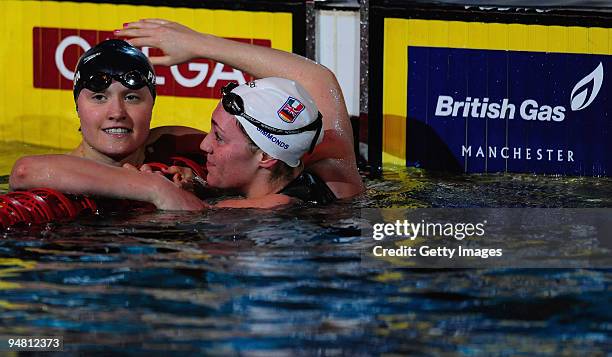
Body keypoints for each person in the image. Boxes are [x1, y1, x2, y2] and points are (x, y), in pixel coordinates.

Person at [10, 20, 364, 210]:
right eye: (99, 97)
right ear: (77, 105)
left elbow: (317, 81)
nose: (116, 113)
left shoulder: (175, 149)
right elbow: (26, 170)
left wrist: (199, 45)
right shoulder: (335, 182)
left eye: (132, 97)